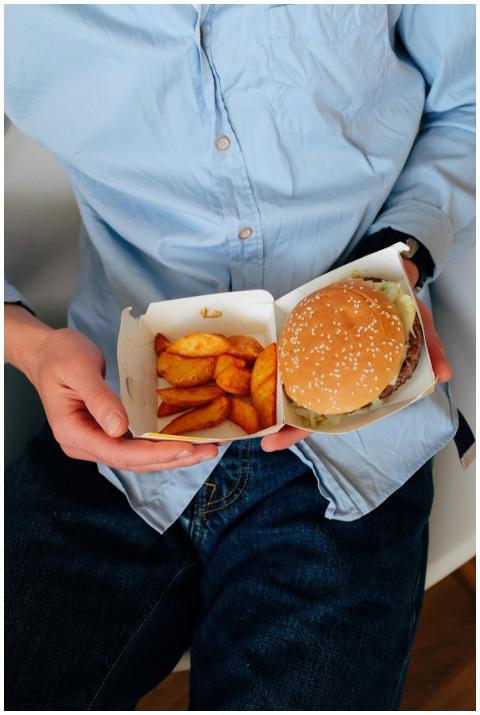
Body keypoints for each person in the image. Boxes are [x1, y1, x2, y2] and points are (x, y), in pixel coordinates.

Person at [4, 4, 474, 710]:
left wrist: (402, 258)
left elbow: (470, 102)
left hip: (350, 447)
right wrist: (26, 342)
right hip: (114, 425)